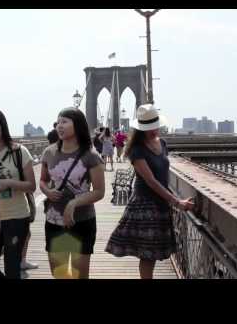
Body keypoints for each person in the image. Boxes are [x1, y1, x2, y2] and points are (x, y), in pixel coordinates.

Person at [105, 104, 194, 279]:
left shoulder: (162, 143)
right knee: (147, 254)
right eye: (149, 127)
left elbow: (163, 174)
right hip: (144, 204)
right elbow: (151, 181)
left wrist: (170, 199)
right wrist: (176, 201)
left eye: (155, 126)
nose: (153, 130)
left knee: (152, 254)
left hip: (161, 202)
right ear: (140, 128)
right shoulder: (136, 149)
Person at [40, 107, 105, 279]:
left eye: (65, 121)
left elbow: (99, 191)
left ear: (78, 125)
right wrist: (48, 191)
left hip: (82, 220)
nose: (59, 126)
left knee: (79, 275)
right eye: (58, 121)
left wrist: (74, 203)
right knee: (59, 274)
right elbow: (43, 180)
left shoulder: (91, 155)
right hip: (54, 220)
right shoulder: (49, 152)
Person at [0, 108, 36, 279]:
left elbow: (31, 185)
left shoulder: (18, 152)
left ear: (2, 126)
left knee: (12, 267)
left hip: (16, 217)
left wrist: (8, 183)